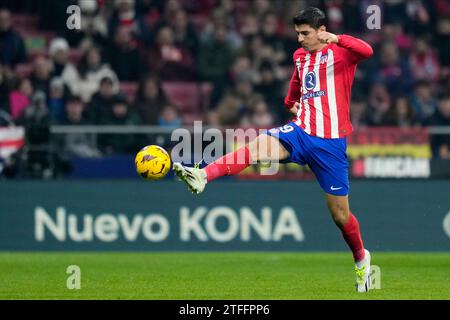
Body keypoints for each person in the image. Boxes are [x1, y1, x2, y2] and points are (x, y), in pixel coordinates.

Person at [173, 7, 374, 292]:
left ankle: (361, 257)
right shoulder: (299, 57)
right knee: (255, 147)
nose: (300, 39)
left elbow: (367, 51)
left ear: (321, 30)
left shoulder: (341, 53)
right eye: (297, 34)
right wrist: (290, 101)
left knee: (340, 216)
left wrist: (337, 38)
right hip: (300, 132)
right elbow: (296, 86)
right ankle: (202, 176)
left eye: (305, 33)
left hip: (330, 144)